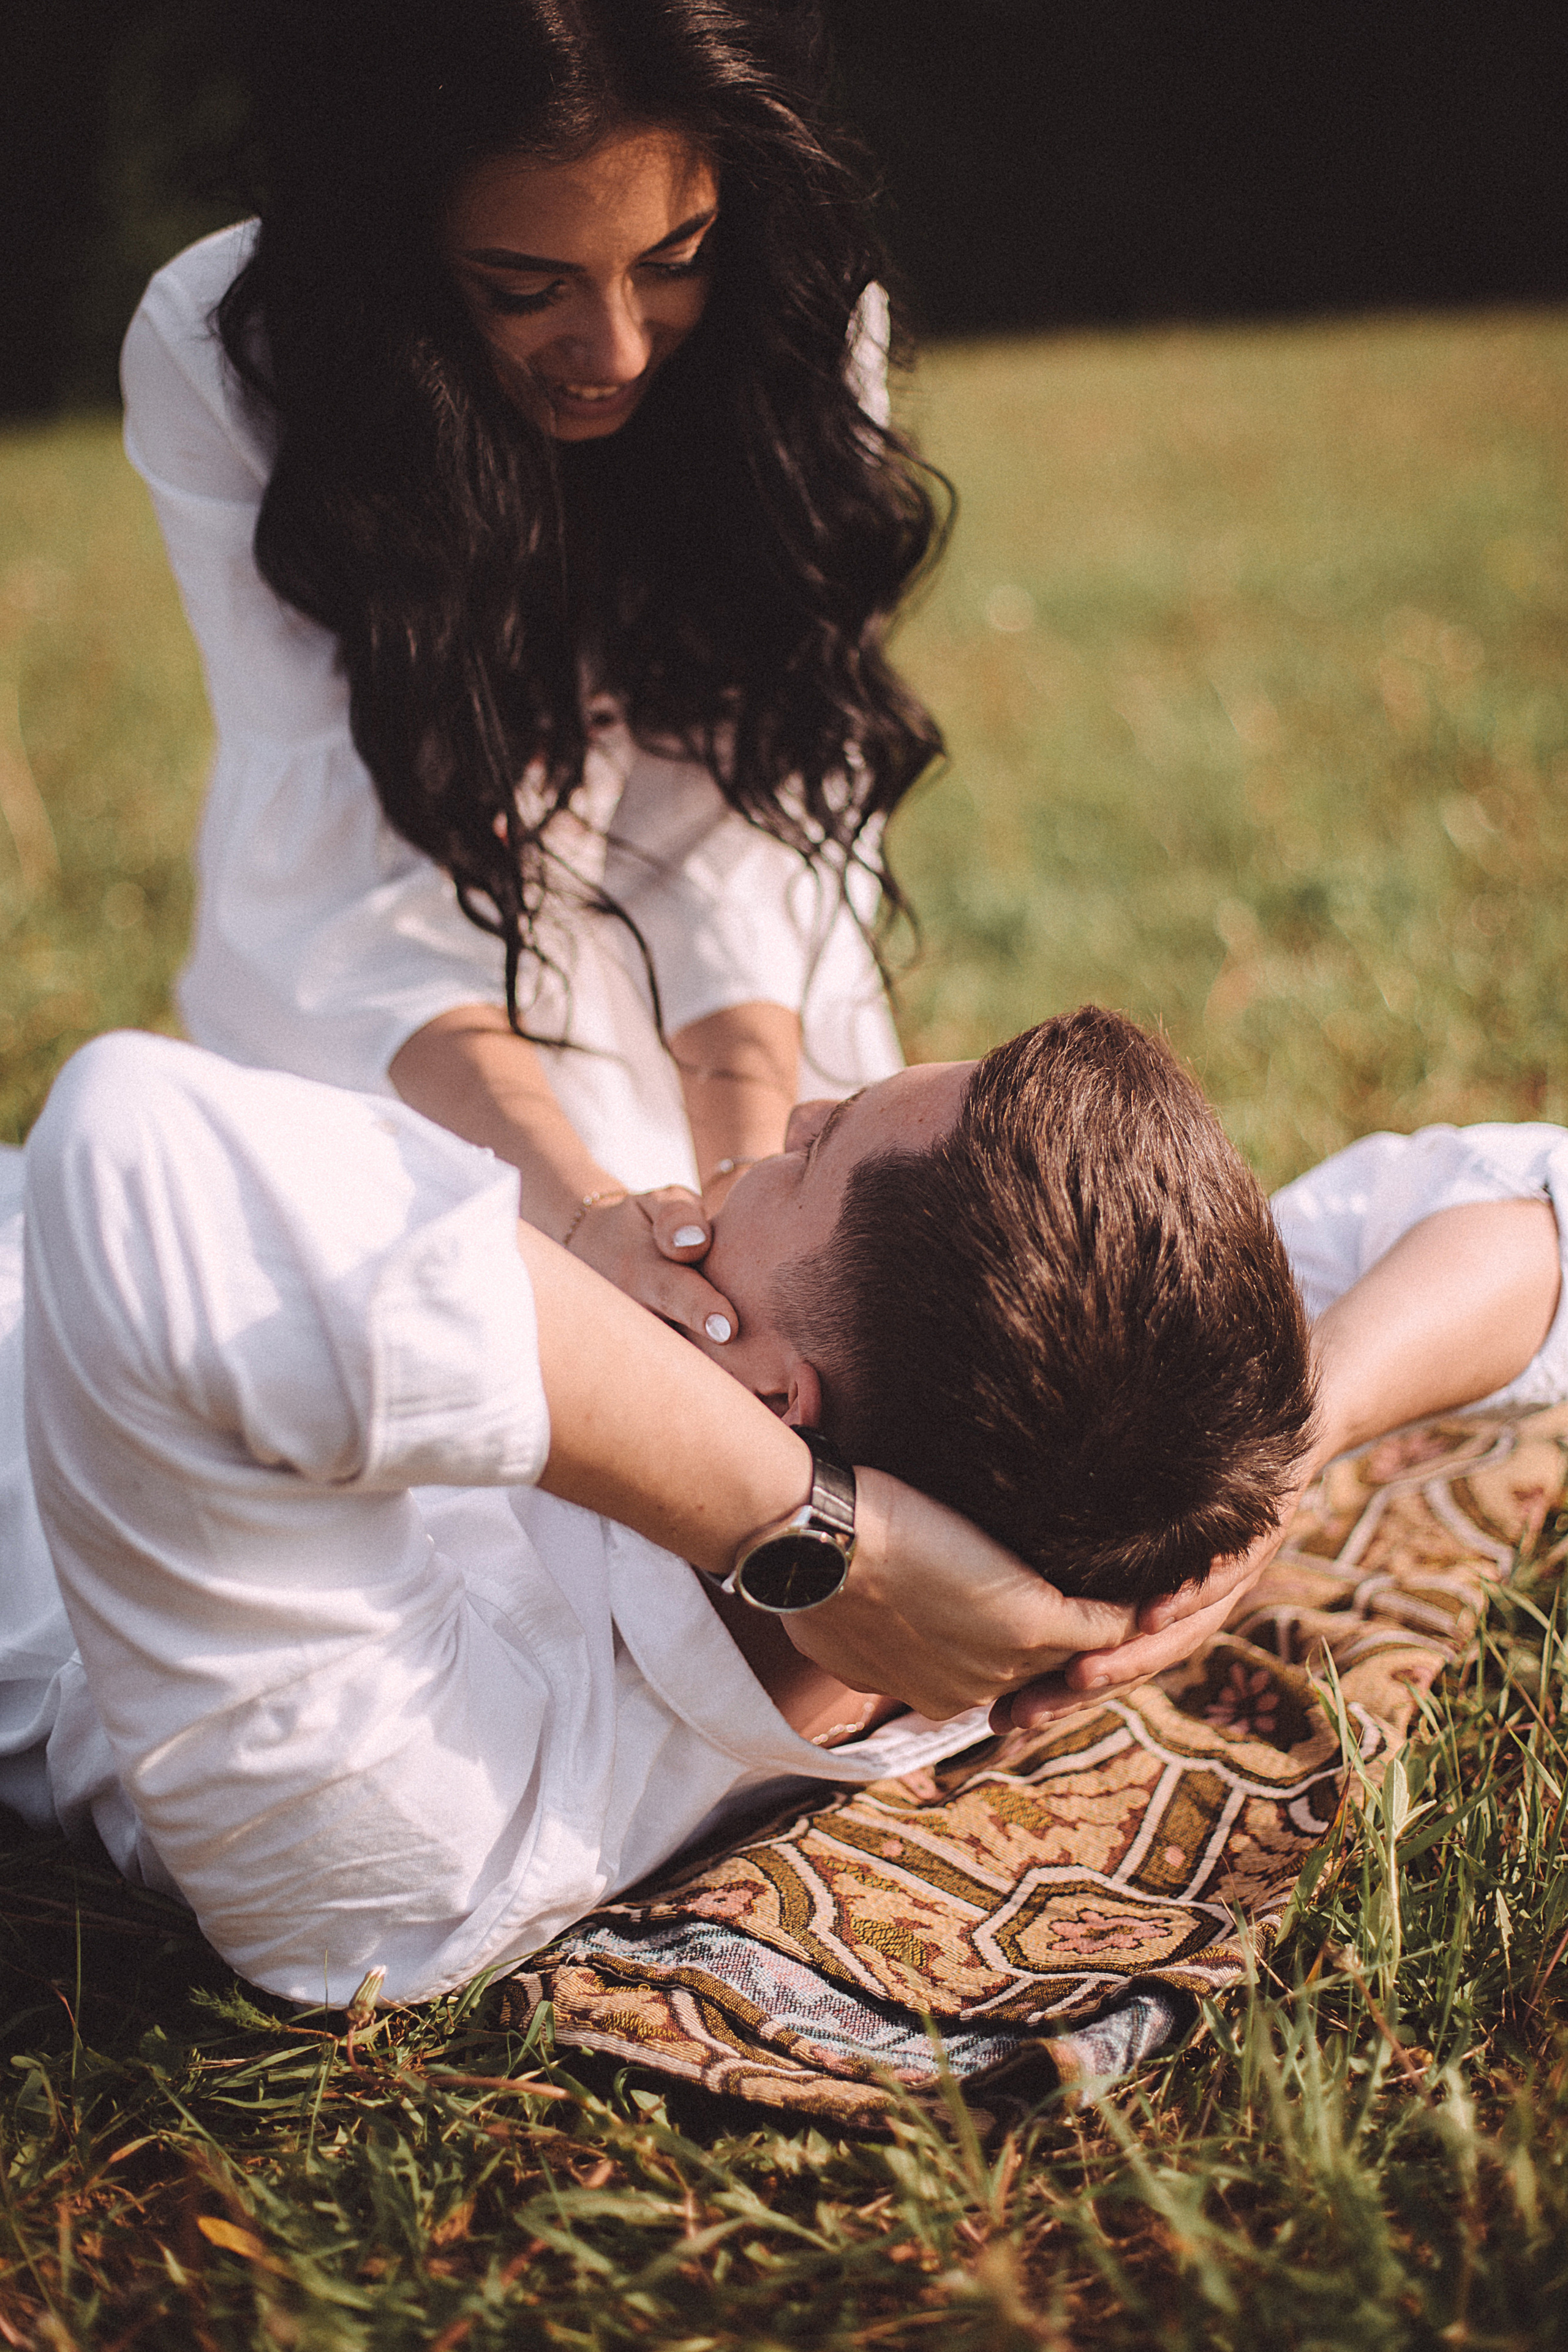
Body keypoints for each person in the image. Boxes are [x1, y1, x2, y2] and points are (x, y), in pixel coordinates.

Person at [3, 1010, 1564, 2004]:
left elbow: (137, 1148)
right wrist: (1282, 1453)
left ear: (783, 1390)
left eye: (804, 1154)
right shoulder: (1050, 1488)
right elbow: (1529, 1194)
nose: (767, 1132)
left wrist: (797, 1523)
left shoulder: (463, 1816)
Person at [120, 0, 949, 1352]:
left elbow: (742, 813)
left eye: (672, 258)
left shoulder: (794, 322)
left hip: (745, 1000)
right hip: (386, 1004)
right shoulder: (225, 356)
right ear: (395, 245)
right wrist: (577, 1215)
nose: (616, 349)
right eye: (525, 287)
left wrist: (741, 1191)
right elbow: (345, 869)